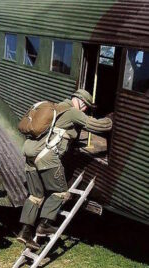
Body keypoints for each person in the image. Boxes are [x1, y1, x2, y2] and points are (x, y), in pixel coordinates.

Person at [17, 89, 113, 250]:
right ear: (81, 102)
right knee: (60, 192)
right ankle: (44, 225)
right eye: (86, 107)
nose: (85, 110)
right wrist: (111, 119)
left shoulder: (57, 107)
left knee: (35, 196)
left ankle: (25, 232)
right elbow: (95, 126)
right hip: (47, 158)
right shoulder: (72, 112)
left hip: (30, 156)